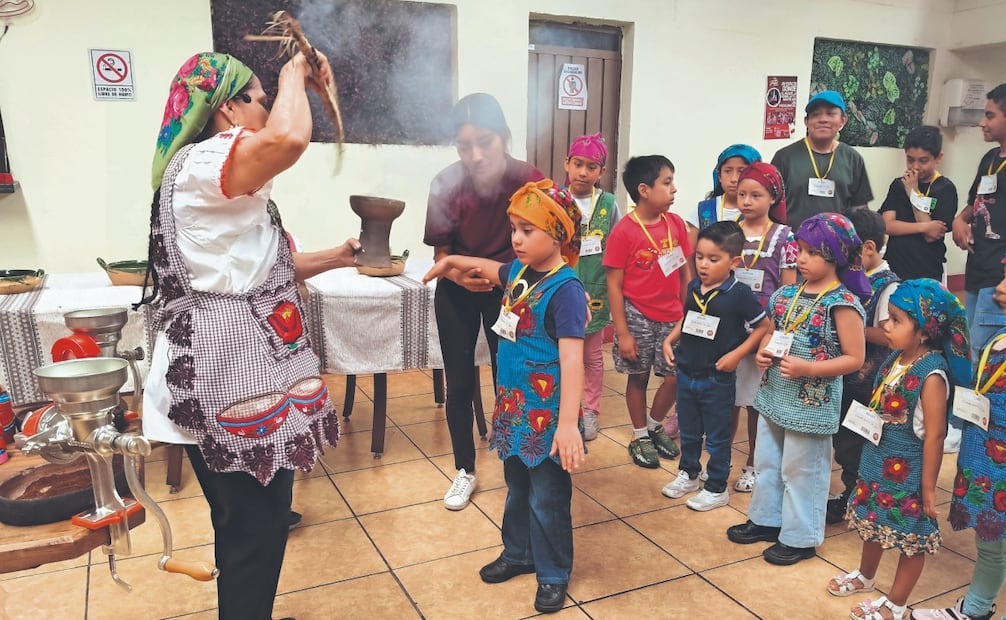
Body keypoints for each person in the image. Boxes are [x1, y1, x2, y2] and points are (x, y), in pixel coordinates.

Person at [140, 51, 358, 620]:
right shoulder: (204, 163)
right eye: (258, 99)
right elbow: (289, 138)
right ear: (226, 110)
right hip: (225, 374)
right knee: (255, 530)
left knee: (251, 524)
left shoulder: (224, 187)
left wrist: (336, 255)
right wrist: (293, 73)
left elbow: (264, 269)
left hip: (232, 368)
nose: (268, 110)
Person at [422, 180, 586, 615]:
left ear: (558, 233)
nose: (516, 238)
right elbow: (489, 268)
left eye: (528, 230)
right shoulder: (517, 272)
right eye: (514, 227)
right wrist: (452, 260)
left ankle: (553, 572)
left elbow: (573, 362)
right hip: (514, 410)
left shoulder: (565, 290)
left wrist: (568, 425)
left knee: (547, 496)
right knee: (516, 488)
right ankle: (519, 553)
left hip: (547, 418)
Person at [423, 93, 545, 511]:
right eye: (463, 146)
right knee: (458, 382)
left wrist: (498, 276)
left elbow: (547, 247)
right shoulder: (445, 183)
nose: (474, 155)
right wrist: (457, 273)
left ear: (505, 137)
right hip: (457, 291)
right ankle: (464, 470)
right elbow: (442, 255)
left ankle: (515, 463)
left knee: (508, 379)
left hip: (512, 292)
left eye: (485, 143)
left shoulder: (530, 182)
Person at [726, 213, 867, 565]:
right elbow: (772, 331)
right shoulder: (786, 295)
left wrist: (809, 367)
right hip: (775, 394)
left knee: (803, 469)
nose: (800, 259)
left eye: (811, 252)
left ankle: (801, 537)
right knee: (768, 461)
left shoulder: (843, 304)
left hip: (811, 403)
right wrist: (762, 352)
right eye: (799, 250)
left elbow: (854, 357)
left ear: (835, 257)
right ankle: (767, 519)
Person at [829, 279, 969, 620]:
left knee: (911, 538)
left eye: (895, 320)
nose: (885, 325)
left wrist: (928, 489)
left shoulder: (931, 375)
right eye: (887, 317)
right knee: (872, 521)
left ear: (923, 332)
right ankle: (866, 575)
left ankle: (896, 604)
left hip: (909, 474)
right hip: (877, 463)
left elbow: (934, 436)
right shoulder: (895, 358)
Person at [912, 260, 1006, 620]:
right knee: (990, 543)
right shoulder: (998, 339)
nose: (998, 286)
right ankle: (976, 609)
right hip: (985, 460)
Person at [660, 221, 772, 511]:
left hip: (717, 377)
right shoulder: (694, 286)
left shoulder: (739, 294)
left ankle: (717, 486)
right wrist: (669, 340)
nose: (703, 265)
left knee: (719, 435)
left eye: (713, 259)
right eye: (699, 257)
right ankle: (689, 474)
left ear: (734, 261)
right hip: (687, 371)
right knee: (689, 429)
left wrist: (737, 354)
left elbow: (763, 326)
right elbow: (686, 318)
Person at [604, 155, 693, 468]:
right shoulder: (624, 232)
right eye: (666, 183)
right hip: (637, 315)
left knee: (674, 376)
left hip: (673, 315)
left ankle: (655, 425)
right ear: (644, 190)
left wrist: (688, 313)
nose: (674, 189)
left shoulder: (676, 224)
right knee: (638, 376)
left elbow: (685, 273)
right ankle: (639, 433)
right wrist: (623, 333)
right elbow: (614, 286)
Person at [828, 207, 900, 525]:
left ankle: (858, 496)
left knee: (858, 441)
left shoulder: (888, 287)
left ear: (868, 248)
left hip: (868, 383)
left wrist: (848, 328)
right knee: (843, 438)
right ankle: (851, 490)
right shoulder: (848, 279)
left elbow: (889, 334)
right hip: (846, 378)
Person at [730, 162, 797, 494]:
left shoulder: (785, 238)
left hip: (765, 331)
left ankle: (754, 464)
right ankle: (719, 460)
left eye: (755, 194)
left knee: (757, 403)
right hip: (728, 329)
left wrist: (776, 337)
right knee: (727, 398)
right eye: (741, 194)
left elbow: (786, 292)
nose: (746, 201)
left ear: (773, 197)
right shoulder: (728, 232)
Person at [563, 132, 621, 441]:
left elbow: (619, 243)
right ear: (567, 165)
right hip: (560, 288)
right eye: (578, 164)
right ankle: (566, 409)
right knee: (561, 352)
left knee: (593, 356)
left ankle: (591, 411)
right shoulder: (555, 199)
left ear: (601, 172)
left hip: (596, 288)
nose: (584, 172)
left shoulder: (609, 204)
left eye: (592, 166)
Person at [952, 84, 1006, 368]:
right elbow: (975, 203)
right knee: (968, 352)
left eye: (990, 115)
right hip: (976, 271)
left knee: (986, 359)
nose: (982, 122)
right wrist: (960, 220)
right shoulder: (990, 158)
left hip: (999, 281)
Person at [771, 90, 874, 228]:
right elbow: (770, 204)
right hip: (793, 245)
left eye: (830, 114)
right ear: (806, 122)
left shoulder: (852, 159)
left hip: (837, 245)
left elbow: (860, 209)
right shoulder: (785, 157)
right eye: (815, 115)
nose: (823, 119)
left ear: (843, 120)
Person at [880, 125, 959, 282]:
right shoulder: (898, 185)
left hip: (927, 271)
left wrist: (913, 192)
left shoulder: (945, 189)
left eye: (923, 161)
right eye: (910, 160)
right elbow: (887, 225)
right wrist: (924, 226)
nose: (915, 167)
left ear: (938, 158)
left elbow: (931, 235)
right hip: (894, 268)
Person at [685, 144, 765, 247]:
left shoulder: (761, 210)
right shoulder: (703, 210)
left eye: (741, 171)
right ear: (719, 176)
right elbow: (690, 254)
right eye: (728, 171)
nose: (733, 179)